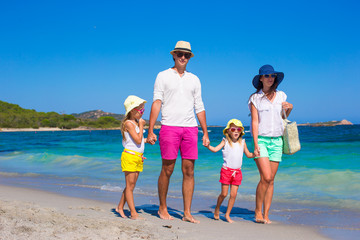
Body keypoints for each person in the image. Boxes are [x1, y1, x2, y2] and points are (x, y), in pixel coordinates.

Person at [147, 40, 210, 223]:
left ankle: (187, 213)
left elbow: (200, 106)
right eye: (180, 54)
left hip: (191, 129)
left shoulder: (195, 79)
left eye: (186, 55)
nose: (183, 57)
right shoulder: (162, 76)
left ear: (190, 58)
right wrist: (151, 130)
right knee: (168, 169)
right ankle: (162, 207)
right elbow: (157, 102)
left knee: (189, 170)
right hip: (169, 127)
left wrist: (205, 132)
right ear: (173, 55)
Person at [248, 65, 293, 224]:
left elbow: (283, 117)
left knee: (271, 179)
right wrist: (255, 144)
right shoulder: (255, 98)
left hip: (277, 140)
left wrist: (290, 109)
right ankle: (257, 211)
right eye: (266, 76)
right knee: (265, 177)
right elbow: (254, 123)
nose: (269, 78)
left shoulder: (282, 95)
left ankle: (266, 214)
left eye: (272, 75)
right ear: (261, 78)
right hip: (262, 140)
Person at [205, 119, 255, 223]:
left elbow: (249, 155)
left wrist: (256, 154)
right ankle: (217, 209)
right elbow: (215, 149)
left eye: (238, 129)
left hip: (237, 172)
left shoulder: (243, 142)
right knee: (224, 194)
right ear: (228, 131)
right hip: (226, 171)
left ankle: (227, 214)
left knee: (233, 195)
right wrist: (208, 146)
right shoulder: (225, 141)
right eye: (233, 129)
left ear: (241, 131)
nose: (236, 131)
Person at [116, 95, 148, 220]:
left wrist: (147, 140)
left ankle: (120, 207)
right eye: (140, 110)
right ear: (132, 110)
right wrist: (141, 125)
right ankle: (133, 213)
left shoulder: (134, 123)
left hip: (137, 157)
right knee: (130, 186)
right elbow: (138, 139)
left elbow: (138, 142)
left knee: (131, 185)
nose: (142, 113)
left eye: (143, 110)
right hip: (129, 157)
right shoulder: (129, 123)